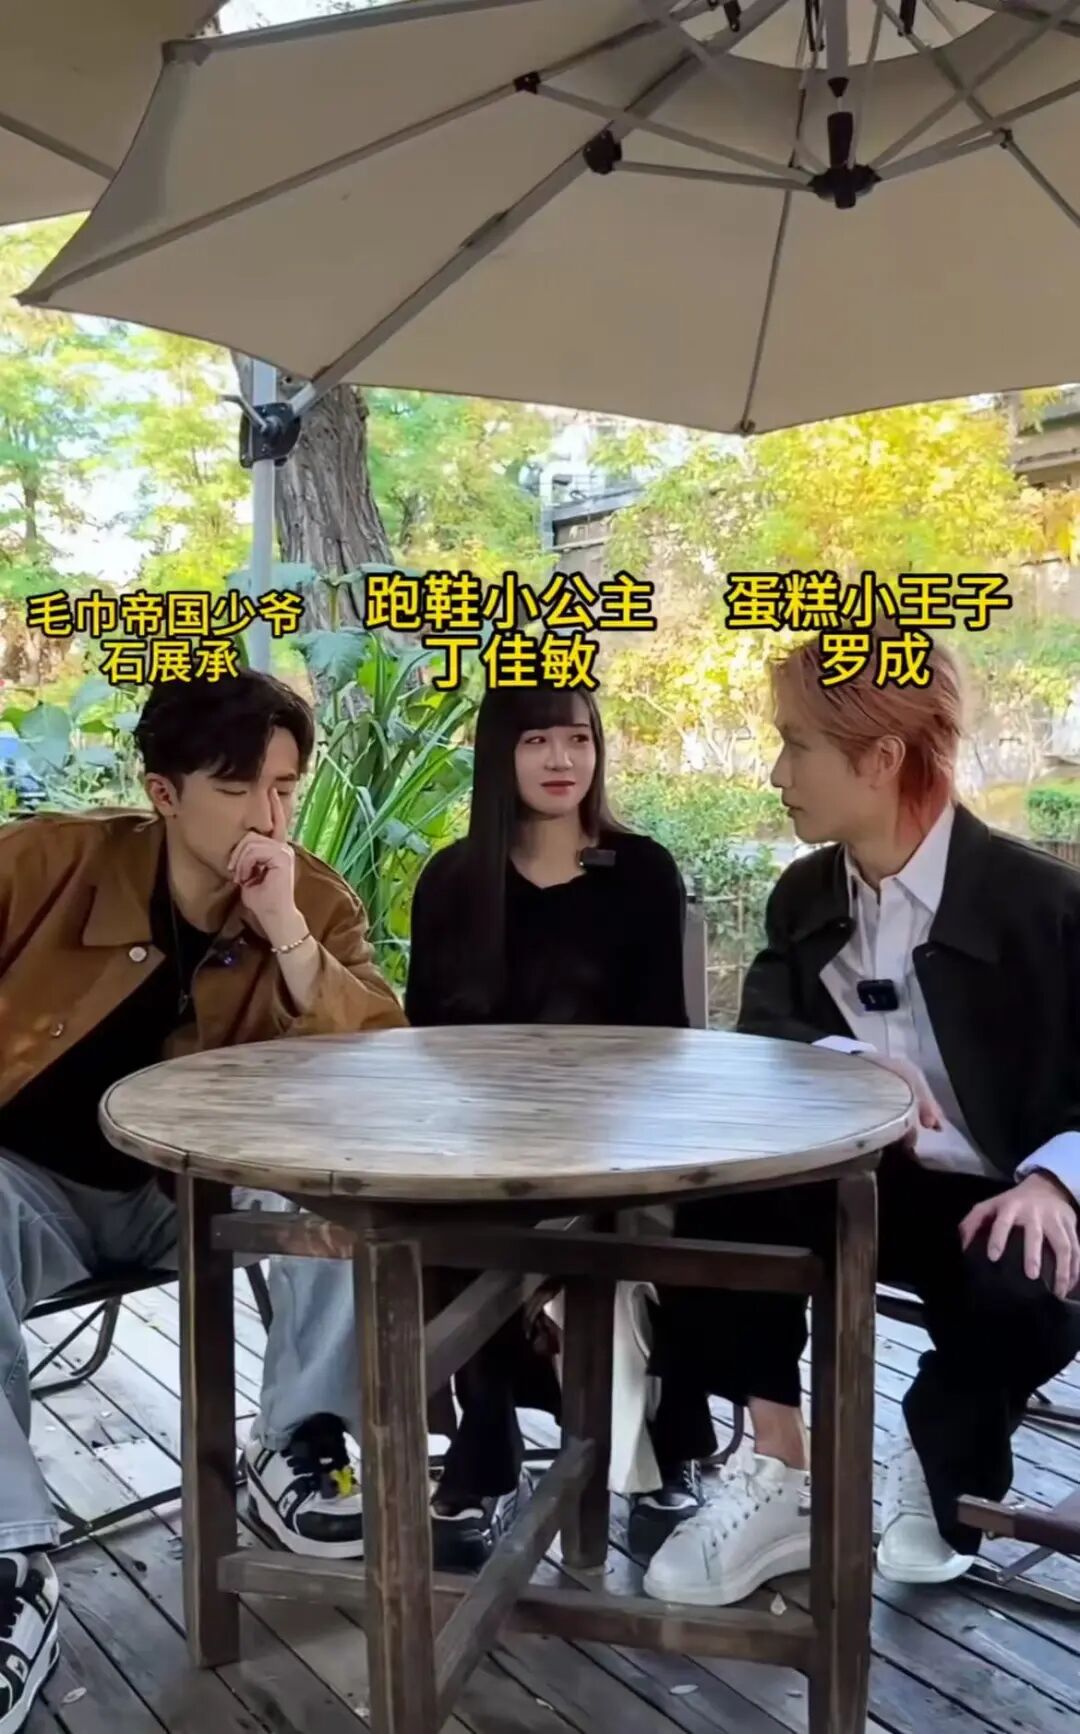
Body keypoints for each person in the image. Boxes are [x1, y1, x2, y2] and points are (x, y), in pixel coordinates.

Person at [0, 669, 406, 1734]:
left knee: (340, 1171)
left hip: (191, 1189)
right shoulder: (43, 866)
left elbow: (381, 1068)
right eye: (238, 789)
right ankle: (8, 1563)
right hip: (28, 1188)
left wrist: (284, 933)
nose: (268, 816)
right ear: (164, 792)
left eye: (286, 788)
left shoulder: (313, 901)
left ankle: (300, 1441)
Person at [642, 624, 1080, 1608]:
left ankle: (941, 1451)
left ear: (881, 758)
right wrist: (850, 1068)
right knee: (709, 1198)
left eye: (796, 745)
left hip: (1010, 1195)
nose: (776, 773)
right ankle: (778, 1470)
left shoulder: (1046, 905)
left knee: (1026, 1281)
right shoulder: (806, 894)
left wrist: (1059, 1181)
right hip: (865, 1180)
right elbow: (766, 1033)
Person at [406, 681, 717, 1571]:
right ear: (499, 755)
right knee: (440, 1220)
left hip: (623, 1131)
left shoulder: (641, 869)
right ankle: (485, 1445)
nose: (561, 760)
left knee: (675, 1220)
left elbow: (664, 1033)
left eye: (578, 739)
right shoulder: (452, 881)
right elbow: (424, 1036)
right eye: (537, 740)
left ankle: (668, 1447)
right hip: (484, 1138)